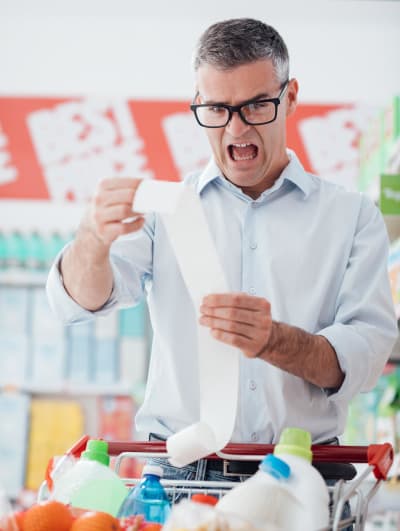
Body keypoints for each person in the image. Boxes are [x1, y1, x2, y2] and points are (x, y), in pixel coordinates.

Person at [47, 18, 397, 485]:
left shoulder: (352, 217)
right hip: (180, 479)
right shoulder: (166, 208)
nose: (236, 128)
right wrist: (92, 237)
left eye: (256, 105)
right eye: (217, 108)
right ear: (197, 103)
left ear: (290, 97)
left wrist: (276, 341)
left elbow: (367, 356)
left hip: (303, 479)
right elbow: (80, 301)